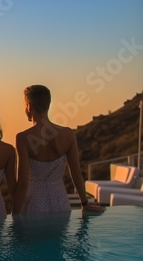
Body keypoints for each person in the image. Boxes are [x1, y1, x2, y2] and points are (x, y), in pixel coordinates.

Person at [13, 85, 104, 214]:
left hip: (34, 205)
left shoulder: (23, 138)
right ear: (48, 105)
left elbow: (22, 183)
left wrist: (15, 216)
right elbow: (76, 174)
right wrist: (84, 203)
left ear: (29, 106)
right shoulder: (67, 134)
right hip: (61, 203)